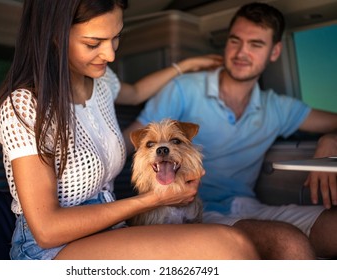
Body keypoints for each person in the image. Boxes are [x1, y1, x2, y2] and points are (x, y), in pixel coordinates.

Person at [0, 0, 258, 260]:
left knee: (280, 240)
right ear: (55, 36)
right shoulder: (24, 106)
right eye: (94, 43)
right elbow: (47, 231)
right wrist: (152, 200)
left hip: (109, 230)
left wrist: (183, 66)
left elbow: (137, 91)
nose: (111, 54)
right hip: (52, 249)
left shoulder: (102, 82)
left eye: (116, 37)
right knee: (231, 246)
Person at [124, 2, 337, 260]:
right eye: (235, 41)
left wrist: (330, 139)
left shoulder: (278, 107)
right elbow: (133, 139)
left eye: (255, 44)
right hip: (194, 211)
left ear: (275, 51)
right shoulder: (184, 88)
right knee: (288, 243)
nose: (241, 52)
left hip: (251, 205)